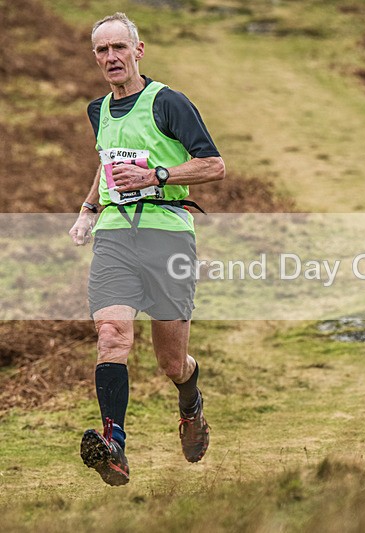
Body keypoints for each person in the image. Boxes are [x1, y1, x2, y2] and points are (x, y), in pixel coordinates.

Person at [69, 12, 225, 486]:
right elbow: (106, 162)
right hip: (116, 235)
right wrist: (89, 209)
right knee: (111, 334)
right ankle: (113, 444)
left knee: (171, 363)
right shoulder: (98, 110)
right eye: (102, 50)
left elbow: (213, 165)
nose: (111, 57)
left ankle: (190, 402)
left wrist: (157, 175)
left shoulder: (168, 102)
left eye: (119, 47)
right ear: (95, 57)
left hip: (168, 234)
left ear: (138, 50)